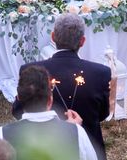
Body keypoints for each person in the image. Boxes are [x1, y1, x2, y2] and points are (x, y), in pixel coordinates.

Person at [11, 14, 111, 160]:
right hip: (89, 148)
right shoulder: (100, 72)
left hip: (40, 148)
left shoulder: (30, 70)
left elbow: (18, 111)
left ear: (53, 37)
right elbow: (103, 114)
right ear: (82, 41)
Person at [0, 66, 97, 160]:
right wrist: (72, 131)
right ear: (50, 100)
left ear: (19, 98)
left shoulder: (0, 135)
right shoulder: (77, 132)